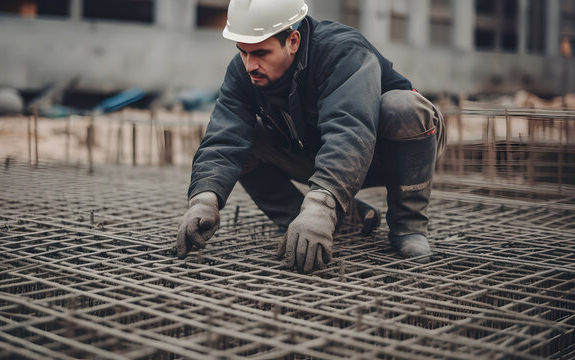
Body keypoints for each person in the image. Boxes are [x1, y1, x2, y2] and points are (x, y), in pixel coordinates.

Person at [175, 0, 445, 273]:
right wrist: (205, 198)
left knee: (404, 107)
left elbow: (349, 130)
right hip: (319, 153)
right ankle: (311, 222)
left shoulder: (342, 51)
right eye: (242, 53)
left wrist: (321, 205)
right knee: (246, 141)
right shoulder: (244, 71)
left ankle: (409, 227)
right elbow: (224, 137)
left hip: (391, 152)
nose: (249, 65)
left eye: (260, 53)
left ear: (293, 40)